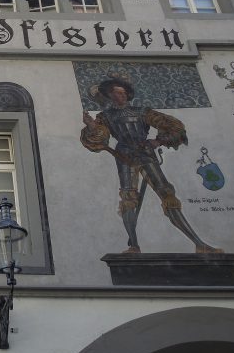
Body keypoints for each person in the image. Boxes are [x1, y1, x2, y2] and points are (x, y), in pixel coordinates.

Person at [80, 77, 221, 254]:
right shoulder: (106, 116)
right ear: (109, 94)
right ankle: (134, 246)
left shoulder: (141, 112)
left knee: (166, 192)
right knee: (128, 198)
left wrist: (159, 140)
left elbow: (173, 125)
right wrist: (92, 126)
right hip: (124, 156)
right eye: (117, 92)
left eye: (123, 92)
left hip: (145, 153)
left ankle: (199, 243)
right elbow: (99, 139)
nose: (121, 95)